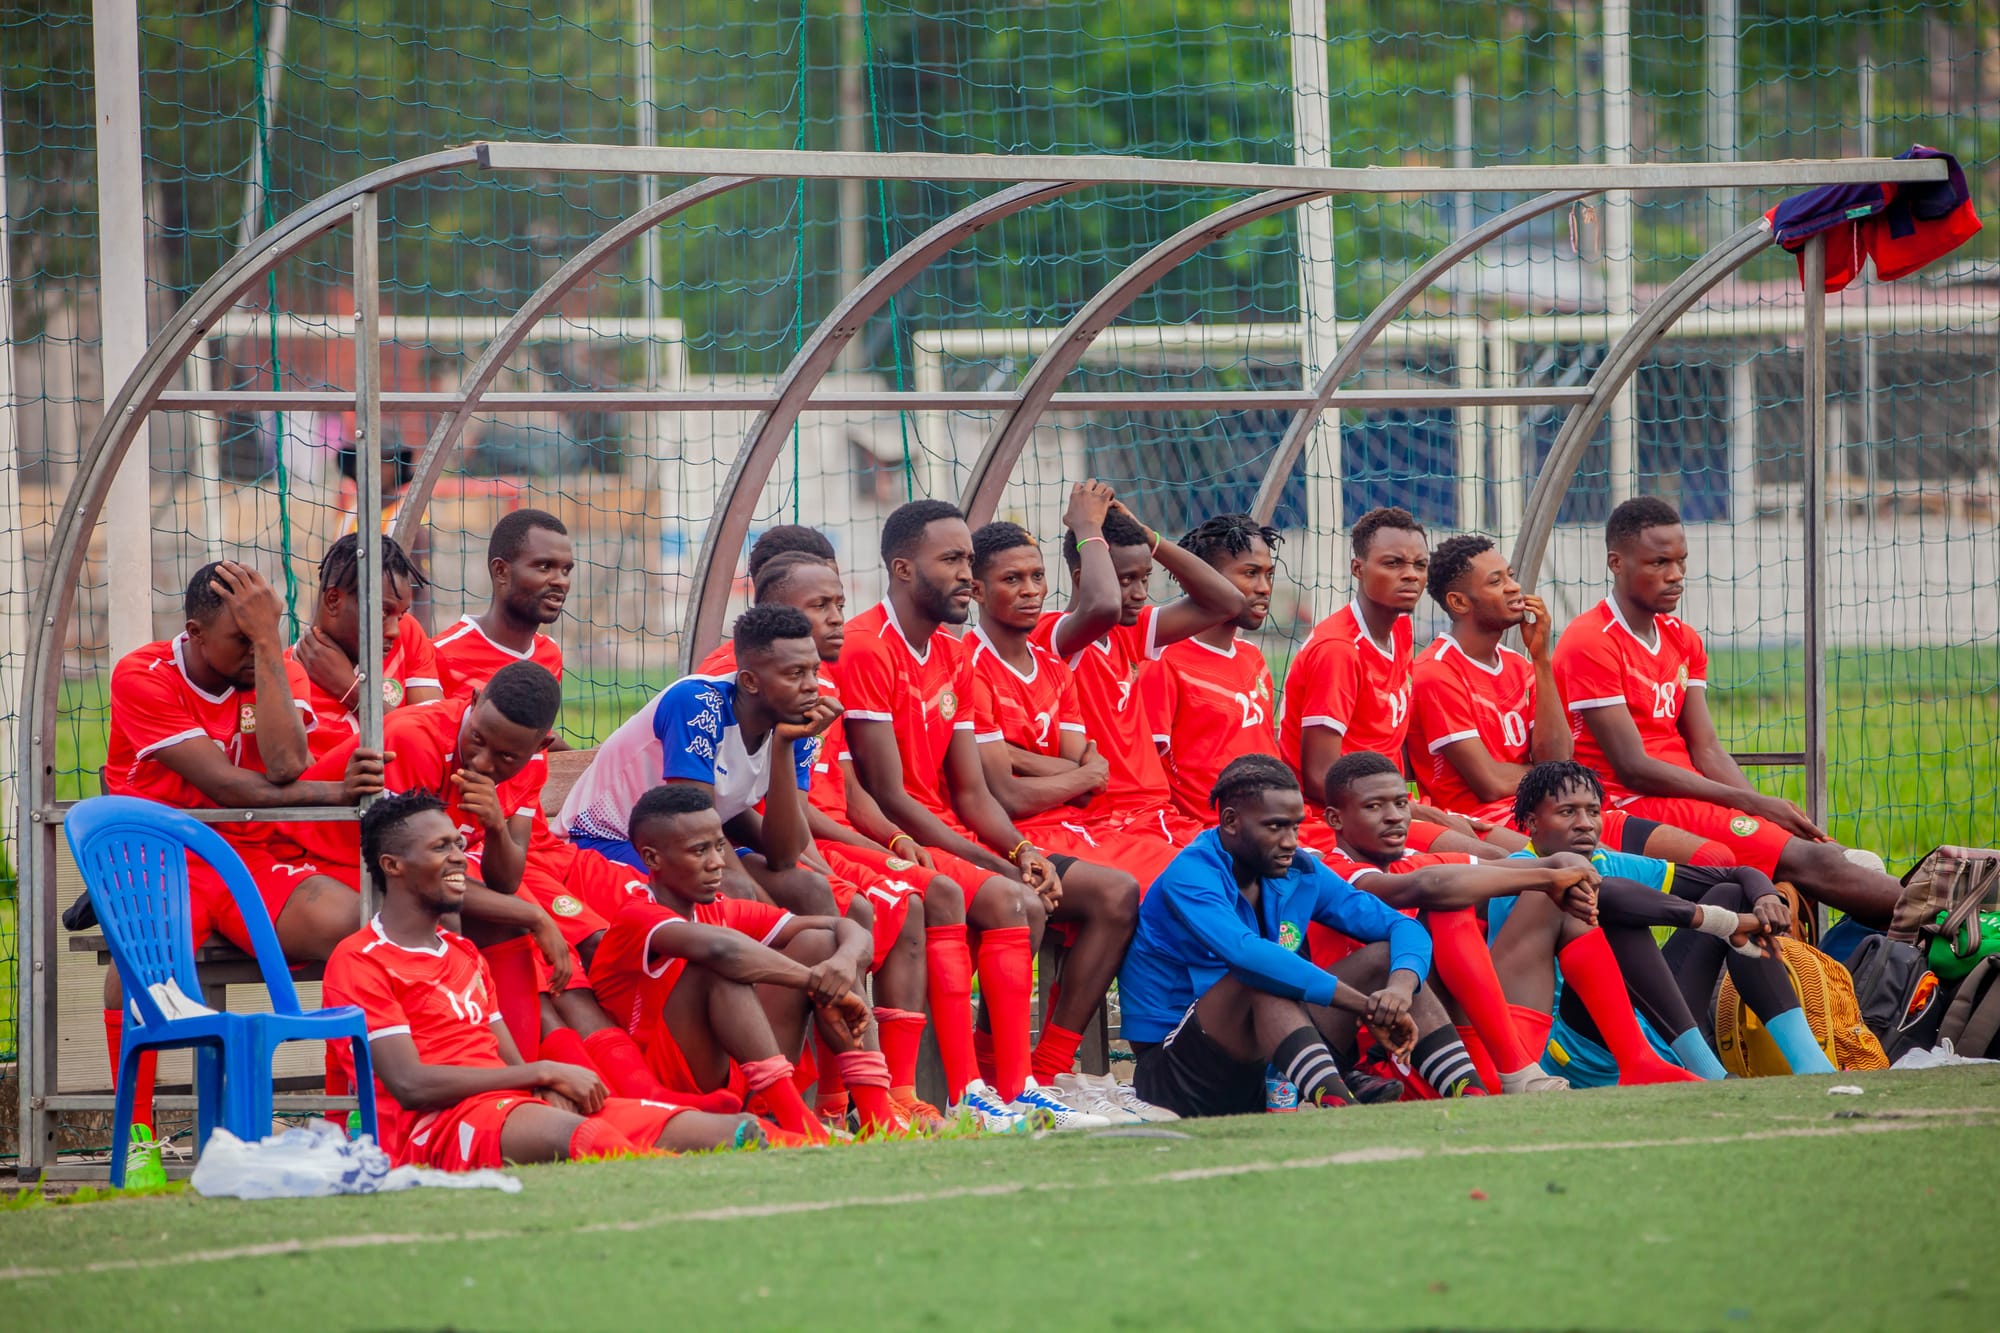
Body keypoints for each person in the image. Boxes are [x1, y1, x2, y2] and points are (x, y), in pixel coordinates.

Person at [840, 499, 1106, 1130]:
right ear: (903, 569)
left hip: (940, 826)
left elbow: (971, 793)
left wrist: (1021, 852)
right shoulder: (865, 647)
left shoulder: (954, 654)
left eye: (967, 559)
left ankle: (1014, 1089)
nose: (967, 573)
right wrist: (995, 863)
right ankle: (976, 1093)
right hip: (884, 833)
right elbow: (888, 794)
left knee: (1023, 895)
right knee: (1007, 901)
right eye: (953, 559)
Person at [321, 791, 761, 1168]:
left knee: (732, 1130)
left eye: (458, 842)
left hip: (508, 1106)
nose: (458, 856)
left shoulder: (464, 953)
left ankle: (810, 1146)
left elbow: (510, 1065)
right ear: (392, 865)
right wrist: (546, 1072)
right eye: (441, 847)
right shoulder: (359, 959)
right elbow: (411, 1085)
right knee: (593, 1140)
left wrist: (540, 1086)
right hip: (434, 1128)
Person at [101, 561, 386, 1134]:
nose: (257, 653)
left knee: (359, 925)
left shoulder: (273, 670)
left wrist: (265, 645)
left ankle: (344, 1113)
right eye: (242, 638)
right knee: (143, 967)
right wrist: (331, 789)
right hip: (158, 853)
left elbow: (284, 763)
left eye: (266, 635)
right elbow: (227, 785)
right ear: (195, 633)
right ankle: (136, 1136)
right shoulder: (143, 673)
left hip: (248, 849)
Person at [1552, 497, 1900, 923]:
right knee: (1818, 865)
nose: (1676, 575)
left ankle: (1894, 959)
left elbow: (1708, 750)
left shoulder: (1682, 638)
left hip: (1684, 795)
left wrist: (1755, 806)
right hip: (1632, 804)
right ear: (1616, 563)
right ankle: (1953, 928)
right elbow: (1633, 767)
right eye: (1659, 562)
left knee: (1849, 860)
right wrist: (1749, 803)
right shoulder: (1590, 641)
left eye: (1681, 561)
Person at [708, 547, 955, 1131]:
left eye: (840, 603)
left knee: (917, 898)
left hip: (781, 843)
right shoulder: (726, 686)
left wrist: (888, 844)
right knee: (844, 908)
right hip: (676, 854)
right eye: (821, 605)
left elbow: (795, 809)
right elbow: (710, 813)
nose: (839, 617)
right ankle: (839, 1105)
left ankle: (897, 1095)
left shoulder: (810, 684)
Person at [1119, 755, 1496, 1118]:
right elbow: (1248, 956)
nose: (1289, 841)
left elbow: (1402, 927)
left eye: (1296, 826)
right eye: (1275, 826)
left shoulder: (1301, 870)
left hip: (1273, 1055)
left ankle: (1473, 1097)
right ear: (1230, 821)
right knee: (1262, 974)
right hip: (1177, 1071)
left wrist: (1398, 990)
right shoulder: (1191, 873)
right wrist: (1364, 1006)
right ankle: (1338, 1106)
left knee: (1383, 957)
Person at [964, 520, 1170, 1123]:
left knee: (1182, 883)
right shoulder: (969, 665)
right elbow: (1003, 794)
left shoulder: (1051, 661)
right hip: (1003, 838)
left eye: (1036, 578)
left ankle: (1063, 1072)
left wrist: (1048, 770)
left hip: (1077, 827)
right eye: (1011, 579)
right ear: (976, 591)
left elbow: (1089, 773)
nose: (1030, 590)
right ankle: (1033, 1073)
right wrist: (1068, 775)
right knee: (1115, 893)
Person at [589, 784, 909, 1141]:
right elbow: (723, 952)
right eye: (699, 851)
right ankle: (800, 1124)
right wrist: (813, 980)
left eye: (719, 846)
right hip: (666, 1085)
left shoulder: (719, 907)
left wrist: (844, 965)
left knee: (821, 942)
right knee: (717, 965)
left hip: (744, 1073)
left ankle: (880, 1120)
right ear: (652, 859)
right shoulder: (637, 915)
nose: (718, 863)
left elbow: (843, 927)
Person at [1505, 761, 1838, 1084]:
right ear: (1533, 822)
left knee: (1731, 894)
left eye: (1593, 811)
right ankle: (1711, 1074)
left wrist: (1767, 899)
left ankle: (1814, 1068)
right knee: (1608, 903)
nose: (1585, 823)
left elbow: (1736, 873)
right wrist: (1724, 923)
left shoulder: (1611, 861)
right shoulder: (1520, 872)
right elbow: (1605, 894)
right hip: (1574, 1048)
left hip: (1654, 1031)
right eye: (1568, 812)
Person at [1411, 534, 1728, 864]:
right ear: (1460, 602)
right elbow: (1489, 783)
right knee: (1626, 876)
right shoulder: (1437, 672)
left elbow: (1558, 759)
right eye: (1496, 581)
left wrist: (1542, 660)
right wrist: (1542, 772)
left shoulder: (1521, 665)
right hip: (1493, 822)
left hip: (1559, 811)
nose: (1514, 587)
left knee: (1714, 857)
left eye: (1510, 575)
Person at [1313, 752, 1589, 1095]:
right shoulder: (1332, 873)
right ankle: (1517, 1071)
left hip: (1480, 1046)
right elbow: (1432, 886)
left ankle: (1639, 1056)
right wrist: (1551, 874)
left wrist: (1565, 863)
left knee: (1558, 897)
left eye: (1401, 804)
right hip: (1403, 1049)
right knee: (1451, 904)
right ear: (1334, 819)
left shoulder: (1413, 862)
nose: (1394, 817)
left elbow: (1506, 863)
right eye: (1374, 807)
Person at [556, 606, 839, 919]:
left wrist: (785, 745)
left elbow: (784, 856)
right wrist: (775, 921)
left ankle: (816, 963)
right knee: (736, 893)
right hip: (602, 840)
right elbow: (697, 826)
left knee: (811, 890)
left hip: (682, 846)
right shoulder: (697, 704)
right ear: (749, 681)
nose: (812, 685)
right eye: (795, 673)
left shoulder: (794, 724)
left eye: (815, 671)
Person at [1035, 480, 1245, 848]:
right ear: (1083, 578)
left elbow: (1227, 602)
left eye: (1144, 578)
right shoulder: (1054, 637)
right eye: (1126, 580)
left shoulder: (1125, 632)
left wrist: (1149, 538)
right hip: (1111, 819)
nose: (1140, 593)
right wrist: (1086, 528)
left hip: (1156, 814)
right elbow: (1101, 606)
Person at [1145, 513, 1282, 821]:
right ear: (1204, 579)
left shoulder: (1253, 659)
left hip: (1276, 823)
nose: (1264, 588)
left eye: (1268, 575)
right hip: (1211, 834)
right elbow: (1149, 778)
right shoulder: (1164, 661)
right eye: (1250, 573)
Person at [285, 533, 442, 758]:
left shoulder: (406, 634)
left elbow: (436, 743)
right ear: (333, 600)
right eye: (382, 612)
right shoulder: (287, 679)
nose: (394, 630)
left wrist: (353, 691)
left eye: (401, 614)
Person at [434, 508, 571, 704]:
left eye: (566, 570)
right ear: (501, 571)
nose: (561, 582)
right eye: (544, 567)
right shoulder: (441, 655)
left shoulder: (550, 654)